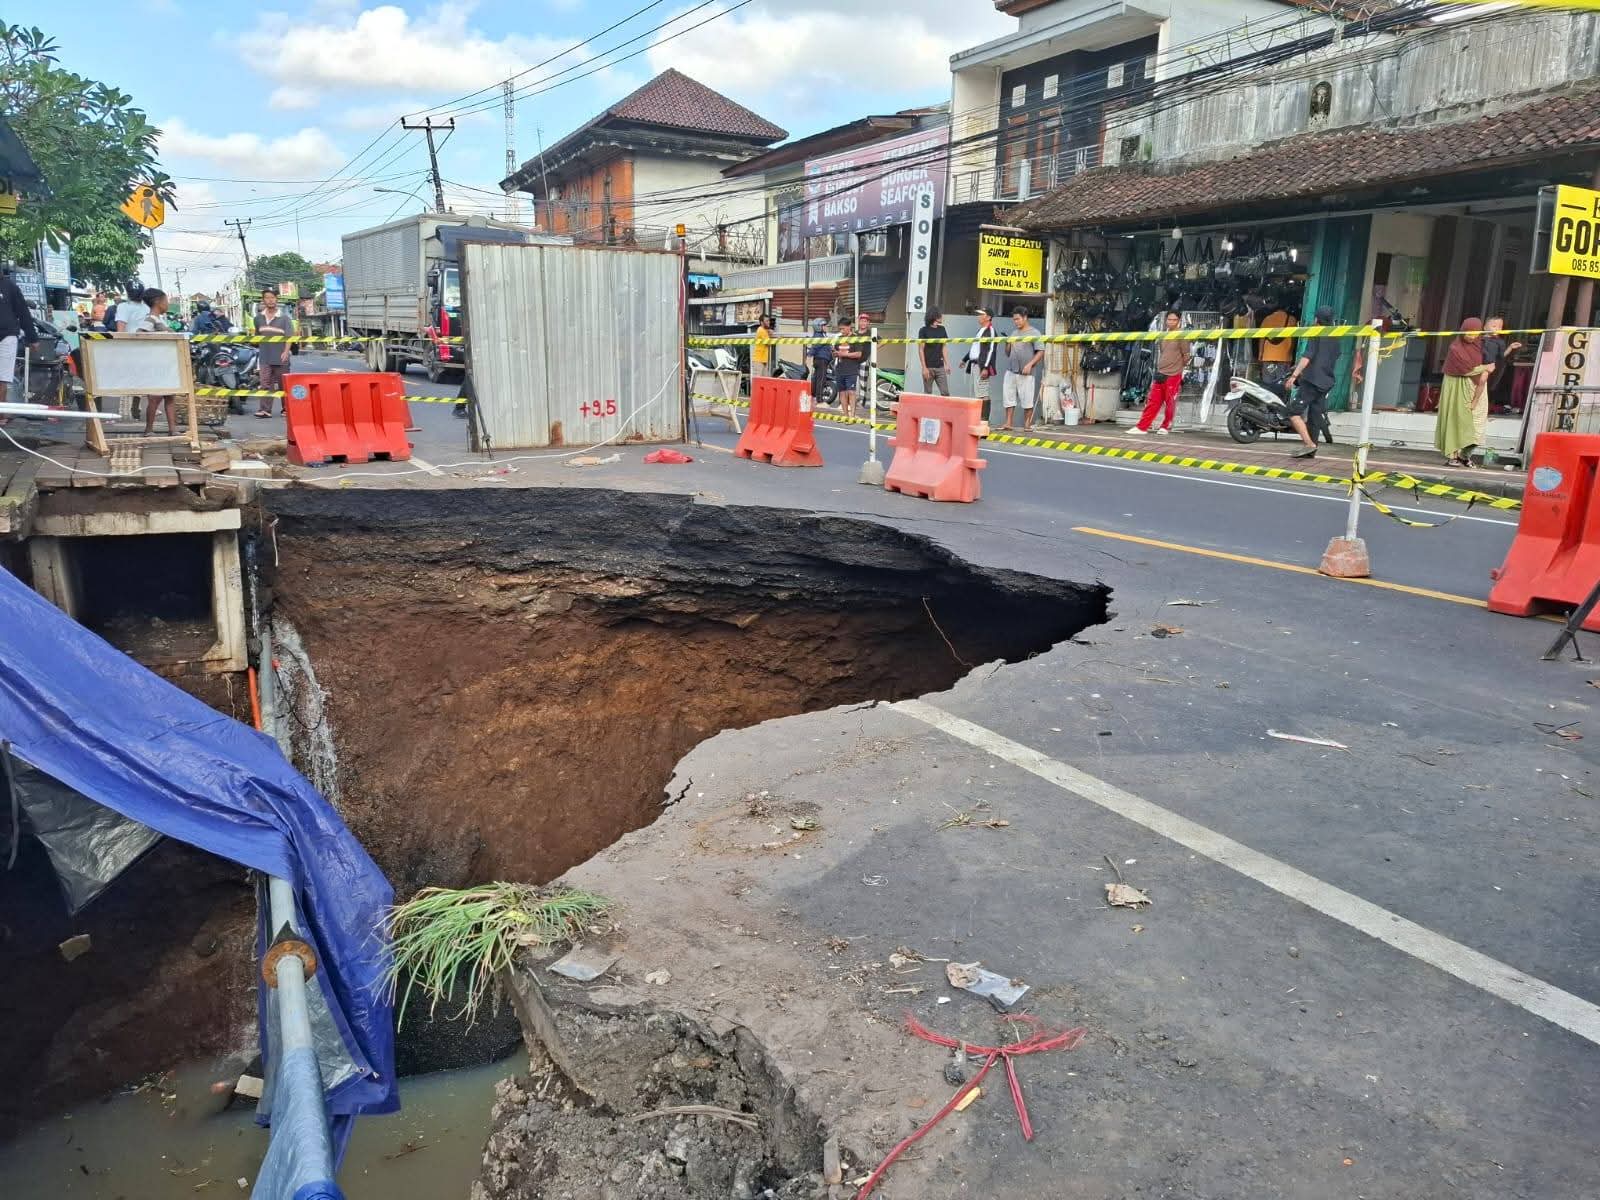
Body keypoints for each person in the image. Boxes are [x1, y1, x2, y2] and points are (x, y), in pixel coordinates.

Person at [1283, 306, 1343, 455]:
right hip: (1326, 382)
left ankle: (1309, 444)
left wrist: (1294, 375)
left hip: (1312, 381)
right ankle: (1311, 452)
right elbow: (1336, 356)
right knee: (1314, 416)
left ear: (1317, 320)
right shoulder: (1335, 337)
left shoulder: (1316, 333)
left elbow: (1307, 357)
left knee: (1292, 412)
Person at [1435, 318, 1491, 467]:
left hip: (1478, 387)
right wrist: (1485, 367)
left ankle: (1464, 455)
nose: (1471, 337)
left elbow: (1493, 363)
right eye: (1468, 333)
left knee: (1478, 423)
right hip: (1457, 386)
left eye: (1475, 334)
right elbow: (1465, 369)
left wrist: (1486, 369)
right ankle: (1452, 455)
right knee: (1455, 421)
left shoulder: (1481, 346)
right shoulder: (1455, 348)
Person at [1130, 311, 1190, 435]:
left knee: (1170, 402)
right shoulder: (1163, 334)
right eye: (1169, 319)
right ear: (1166, 320)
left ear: (1179, 321)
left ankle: (1165, 426)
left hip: (1174, 374)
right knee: (1153, 401)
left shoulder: (1182, 335)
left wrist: (1178, 369)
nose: (1171, 322)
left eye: (1174, 320)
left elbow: (1186, 355)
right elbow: (1163, 352)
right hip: (1161, 372)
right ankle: (1142, 427)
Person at [133, 290, 180, 436]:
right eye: (166, 300)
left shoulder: (160, 319)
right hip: (156, 365)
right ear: (158, 302)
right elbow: (139, 334)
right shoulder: (151, 319)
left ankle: (173, 429)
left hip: (165, 364)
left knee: (170, 397)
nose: (168, 304)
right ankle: (149, 429)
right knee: (154, 398)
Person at [253, 288, 296, 418]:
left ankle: (286, 409)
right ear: (263, 300)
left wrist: (286, 352)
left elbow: (290, 337)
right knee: (265, 384)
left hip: (281, 356)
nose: (270, 300)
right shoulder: (258, 319)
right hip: (265, 357)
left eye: (272, 297)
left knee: (284, 384)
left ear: (276, 300)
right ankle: (265, 410)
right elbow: (258, 336)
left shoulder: (284, 318)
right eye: (267, 297)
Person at [0, 269, 40, 406]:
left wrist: (32, 337)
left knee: (1, 379)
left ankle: (1, 414)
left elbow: (23, 312)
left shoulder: (10, 287)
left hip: (6, 336)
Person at [1000, 307, 1043, 431]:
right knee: (1008, 397)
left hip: (1026, 372)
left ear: (1025, 317)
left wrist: (1030, 364)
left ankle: (1027, 425)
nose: (1016, 322)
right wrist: (1008, 343)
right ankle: (1008, 423)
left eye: (1018, 319)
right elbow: (1008, 353)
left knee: (1027, 399)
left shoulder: (1035, 333)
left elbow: (1040, 352)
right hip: (1011, 370)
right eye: (1014, 320)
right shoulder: (1014, 333)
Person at [962, 307, 1000, 419]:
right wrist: (965, 359)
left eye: (981, 314)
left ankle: (983, 421)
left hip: (982, 365)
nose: (978, 316)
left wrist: (986, 367)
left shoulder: (991, 331)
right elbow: (975, 348)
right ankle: (976, 419)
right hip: (974, 364)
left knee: (983, 393)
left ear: (988, 317)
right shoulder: (980, 330)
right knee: (977, 393)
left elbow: (991, 350)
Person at [834, 317, 864, 419]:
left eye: (843, 328)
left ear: (849, 327)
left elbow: (859, 354)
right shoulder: (839, 339)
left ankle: (852, 415)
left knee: (851, 392)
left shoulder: (856, 338)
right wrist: (835, 353)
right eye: (840, 329)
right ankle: (845, 415)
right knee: (842, 392)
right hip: (840, 369)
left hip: (851, 369)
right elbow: (836, 352)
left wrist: (844, 354)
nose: (841, 331)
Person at [917, 308, 950, 396]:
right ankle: (927, 410)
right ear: (935, 316)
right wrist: (924, 368)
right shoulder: (923, 330)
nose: (942, 316)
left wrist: (947, 364)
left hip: (940, 366)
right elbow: (921, 349)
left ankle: (944, 410)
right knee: (927, 393)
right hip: (928, 367)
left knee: (945, 393)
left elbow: (944, 347)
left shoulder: (942, 329)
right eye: (940, 314)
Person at [804, 317, 834, 403]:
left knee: (816, 379)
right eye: (823, 325)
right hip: (821, 360)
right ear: (818, 327)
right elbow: (815, 347)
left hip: (821, 360)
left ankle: (813, 396)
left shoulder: (822, 335)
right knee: (821, 379)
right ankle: (819, 400)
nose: (825, 327)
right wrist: (809, 356)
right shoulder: (818, 336)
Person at [752, 314, 776, 378]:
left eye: (769, 321)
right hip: (758, 360)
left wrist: (770, 333)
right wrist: (776, 337)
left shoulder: (764, 331)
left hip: (763, 360)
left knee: (764, 381)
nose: (769, 322)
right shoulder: (761, 330)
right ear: (762, 322)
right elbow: (768, 343)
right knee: (758, 381)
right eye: (767, 321)